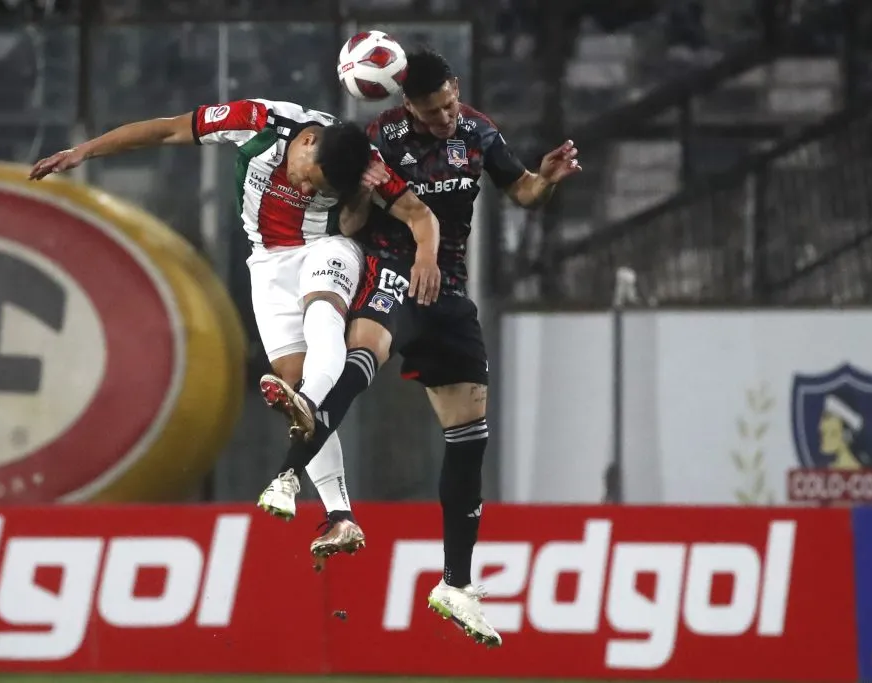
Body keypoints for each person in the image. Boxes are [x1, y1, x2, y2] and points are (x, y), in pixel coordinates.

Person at [258, 49, 582, 647]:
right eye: (432, 112)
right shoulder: (381, 139)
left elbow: (523, 193)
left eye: (450, 104)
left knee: (470, 435)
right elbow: (352, 226)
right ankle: (285, 477)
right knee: (363, 359)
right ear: (408, 105)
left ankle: (454, 585)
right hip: (392, 269)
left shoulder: (480, 131)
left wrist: (547, 180)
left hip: (451, 291)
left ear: (457, 88)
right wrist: (365, 192)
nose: (445, 119)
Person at [29, 98, 441, 560]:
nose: (304, 186)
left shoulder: (364, 164)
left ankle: (311, 404)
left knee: (323, 315)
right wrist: (85, 151)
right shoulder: (259, 122)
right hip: (267, 262)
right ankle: (341, 516)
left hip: (327, 247)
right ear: (306, 142)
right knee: (292, 379)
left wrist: (420, 250)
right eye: (308, 174)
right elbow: (167, 129)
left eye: (317, 187)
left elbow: (416, 214)